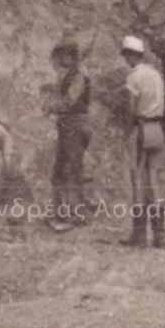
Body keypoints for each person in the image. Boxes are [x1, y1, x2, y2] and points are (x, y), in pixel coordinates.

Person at [120, 36, 165, 249]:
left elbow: (130, 109)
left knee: (138, 181)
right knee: (154, 181)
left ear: (131, 55)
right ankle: (160, 235)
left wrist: (126, 132)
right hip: (158, 129)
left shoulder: (133, 77)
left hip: (141, 129)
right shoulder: (156, 74)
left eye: (126, 55)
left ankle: (139, 236)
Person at [43, 38, 92, 229]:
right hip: (68, 126)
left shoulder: (79, 75)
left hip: (75, 125)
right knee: (62, 170)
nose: (60, 59)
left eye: (63, 55)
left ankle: (75, 215)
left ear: (71, 56)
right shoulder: (69, 75)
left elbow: (70, 100)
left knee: (72, 169)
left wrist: (50, 107)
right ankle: (62, 213)